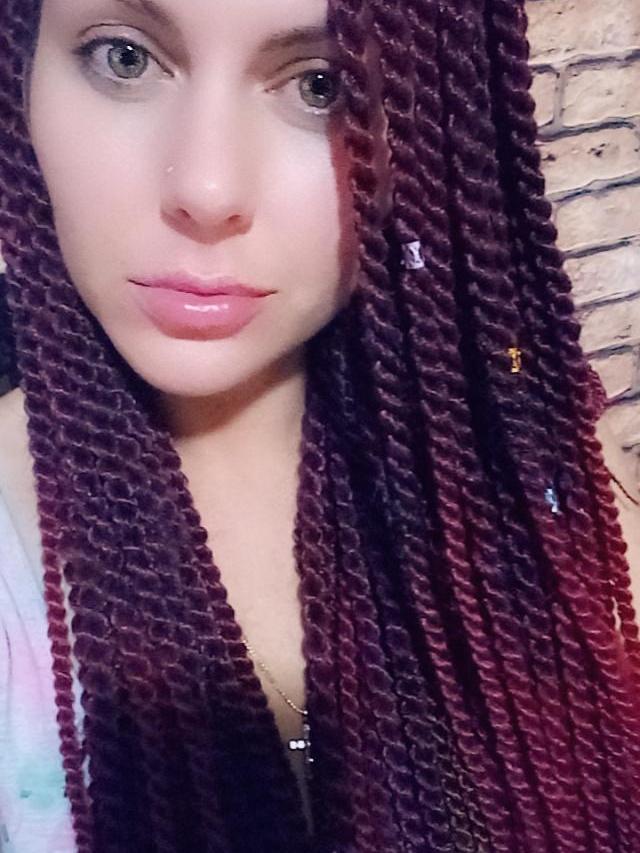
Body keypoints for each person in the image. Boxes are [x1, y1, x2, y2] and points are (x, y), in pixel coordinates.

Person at [0, 0, 639, 850]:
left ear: (440, 123)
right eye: (125, 57)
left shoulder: (531, 473)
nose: (207, 190)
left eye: (321, 86)